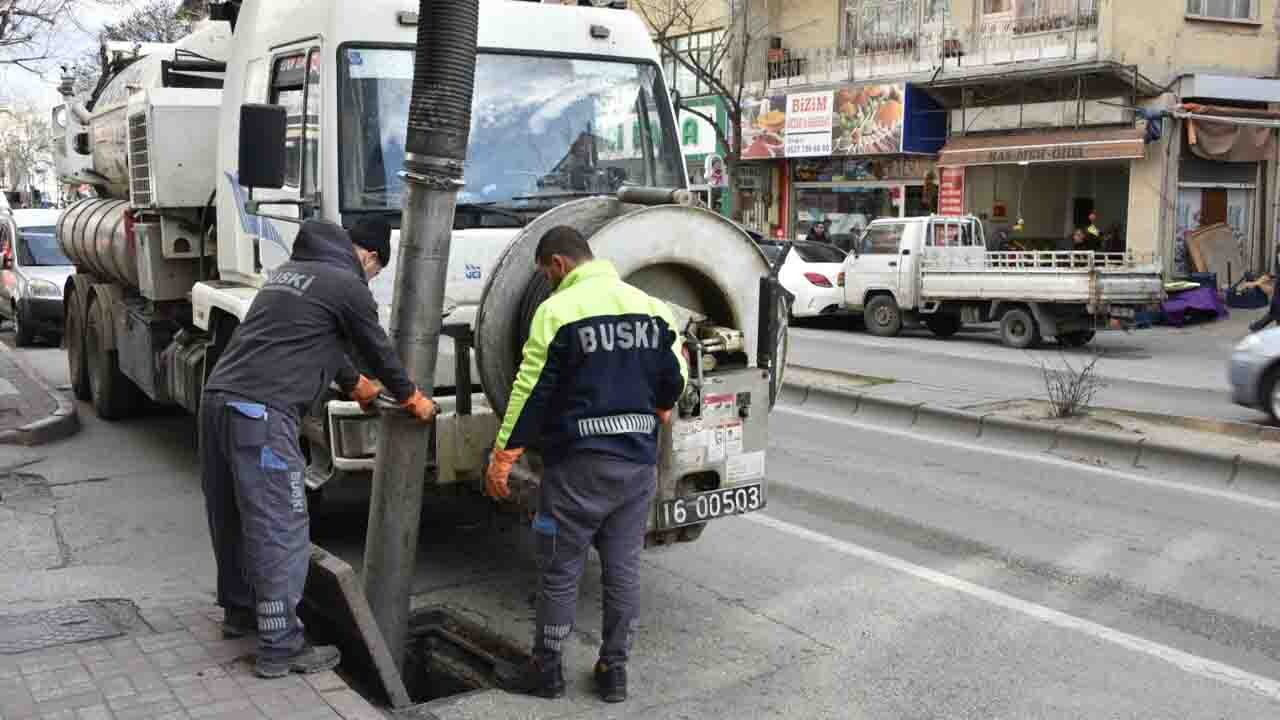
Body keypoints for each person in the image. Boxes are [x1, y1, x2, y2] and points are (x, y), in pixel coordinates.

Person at [200, 217, 437, 679]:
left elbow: (310, 342)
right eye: (375, 270)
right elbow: (377, 347)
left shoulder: (291, 274)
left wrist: (357, 388)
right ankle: (281, 646)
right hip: (262, 414)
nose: (370, 277)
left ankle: (242, 613)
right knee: (279, 524)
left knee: (231, 516)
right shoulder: (347, 284)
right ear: (368, 255)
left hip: (218, 402)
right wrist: (410, 396)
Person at [485, 226, 687, 703]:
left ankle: (546, 669)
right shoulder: (654, 308)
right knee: (623, 570)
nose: (548, 283)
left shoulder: (556, 311)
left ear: (559, 265)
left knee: (559, 569)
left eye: (546, 274)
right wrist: (652, 406)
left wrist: (503, 455)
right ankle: (613, 672)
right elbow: (675, 382)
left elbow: (530, 390)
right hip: (637, 468)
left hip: (576, 471)